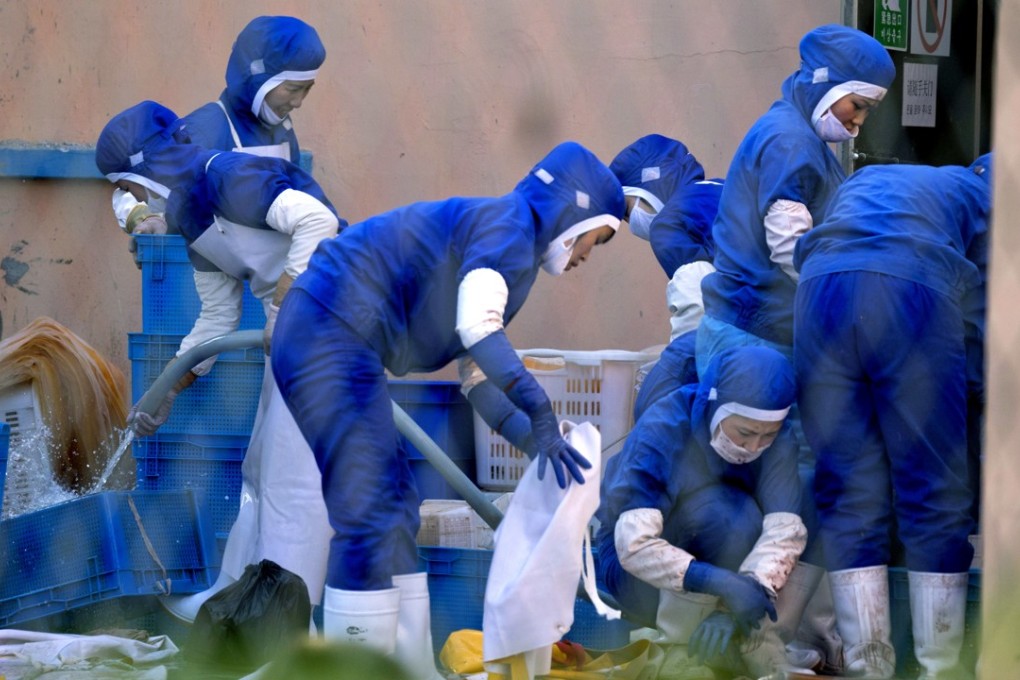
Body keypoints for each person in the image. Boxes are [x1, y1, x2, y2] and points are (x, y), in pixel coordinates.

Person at [269, 141, 624, 678]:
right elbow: (479, 330)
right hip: (327, 329)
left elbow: (476, 375)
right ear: (574, 214)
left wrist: (532, 440)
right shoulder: (510, 228)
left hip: (342, 337)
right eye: (594, 240)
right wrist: (542, 413)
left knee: (397, 508)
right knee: (367, 512)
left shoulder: (512, 246)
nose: (585, 258)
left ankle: (410, 666)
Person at [695, 25, 896, 671]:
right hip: (758, 334)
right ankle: (756, 634)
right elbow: (791, 248)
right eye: (856, 105)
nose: (860, 121)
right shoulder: (791, 141)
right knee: (784, 484)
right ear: (824, 85)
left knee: (786, 485)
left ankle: (769, 635)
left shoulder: (801, 133)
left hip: (765, 331)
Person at [95, 100, 342, 624]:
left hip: (340, 316)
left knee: (290, 477)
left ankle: (291, 627)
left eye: (127, 187)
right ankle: (235, 606)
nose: (131, 201)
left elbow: (319, 222)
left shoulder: (228, 174)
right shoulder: (189, 215)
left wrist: (282, 306)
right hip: (302, 335)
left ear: (145, 169)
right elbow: (216, 320)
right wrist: (165, 392)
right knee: (259, 470)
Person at [792, 156, 991, 679]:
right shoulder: (996, 205)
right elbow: (985, 330)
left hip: (819, 290)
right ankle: (940, 668)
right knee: (934, 491)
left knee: (848, 489)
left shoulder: (881, 179)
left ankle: (866, 667)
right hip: (909, 289)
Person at [595, 346, 807, 678]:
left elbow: (785, 531)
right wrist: (714, 581)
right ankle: (676, 648)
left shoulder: (781, 441)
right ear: (714, 405)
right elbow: (632, 544)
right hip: (633, 571)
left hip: (728, 565)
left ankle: (725, 635)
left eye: (767, 435)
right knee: (721, 515)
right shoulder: (664, 426)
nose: (753, 448)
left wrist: (740, 601)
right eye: (745, 433)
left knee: (746, 515)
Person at [109, 16, 325, 259]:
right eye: (293, 89)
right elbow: (137, 184)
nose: (298, 102)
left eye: (307, 89)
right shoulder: (204, 127)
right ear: (257, 78)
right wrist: (143, 218)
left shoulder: (281, 129)